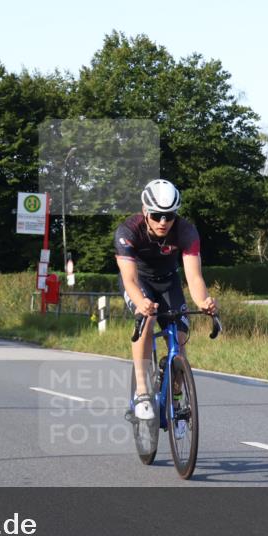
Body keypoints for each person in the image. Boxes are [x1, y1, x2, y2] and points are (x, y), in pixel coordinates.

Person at [115, 179, 216, 420]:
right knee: (147, 320)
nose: (163, 222)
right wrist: (141, 303)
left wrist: (203, 301)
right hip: (139, 281)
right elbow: (129, 279)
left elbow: (194, 276)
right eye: (157, 215)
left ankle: (177, 397)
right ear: (145, 211)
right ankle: (142, 392)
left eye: (169, 216)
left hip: (169, 281)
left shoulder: (186, 232)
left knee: (179, 337)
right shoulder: (127, 231)